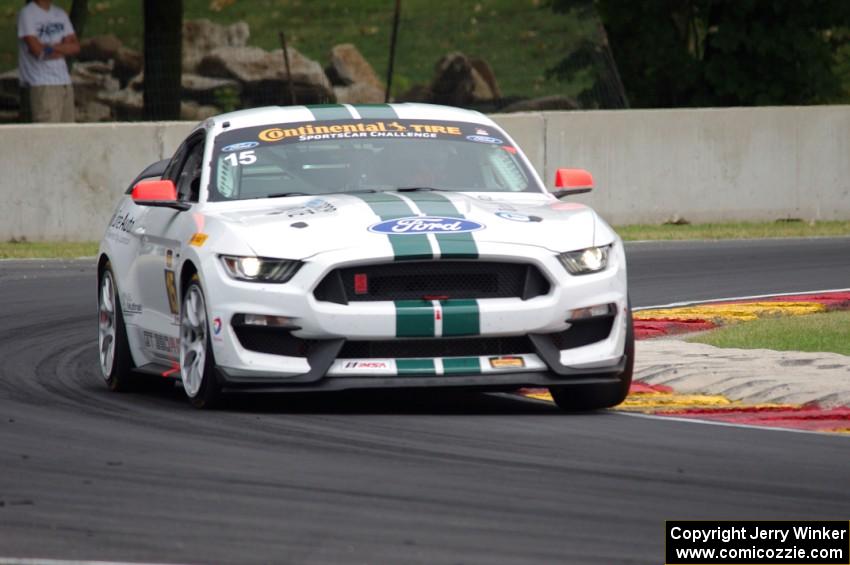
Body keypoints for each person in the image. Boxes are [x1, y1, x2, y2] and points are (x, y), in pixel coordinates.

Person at [17, 0, 80, 123]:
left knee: (69, 134)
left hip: (64, 82)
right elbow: (37, 50)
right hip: (43, 84)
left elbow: (75, 47)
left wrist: (52, 48)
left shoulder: (60, 14)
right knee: (48, 134)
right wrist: (62, 48)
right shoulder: (28, 14)